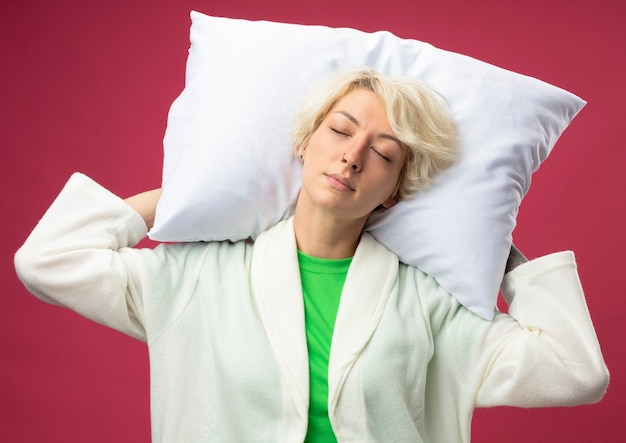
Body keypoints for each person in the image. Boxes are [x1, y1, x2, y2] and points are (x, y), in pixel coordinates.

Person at [14, 68, 608, 442]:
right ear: (305, 141)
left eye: (383, 153)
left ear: (395, 189)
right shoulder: (198, 275)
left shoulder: (427, 303)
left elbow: (573, 372)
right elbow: (47, 259)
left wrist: (492, 244)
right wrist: (180, 198)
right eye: (341, 130)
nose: (353, 157)